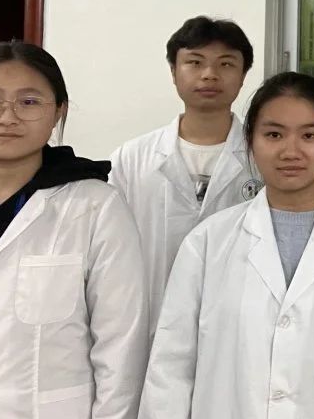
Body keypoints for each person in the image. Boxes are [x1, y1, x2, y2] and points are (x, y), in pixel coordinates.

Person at [139, 72, 314, 419]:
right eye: (273, 134)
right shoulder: (206, 242)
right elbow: (170, 371)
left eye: (309, 135)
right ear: (250, 142)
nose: (291, 151)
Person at [0, 41, 148, 419]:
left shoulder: (96, 207)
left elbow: (121, 348)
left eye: (28, 102)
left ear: (59, 111)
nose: (7, 117)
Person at [108, 16, 258, 334]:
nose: (209, 74)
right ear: (173, 72)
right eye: (195, 62)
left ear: (244, 75)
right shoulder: (131, 159)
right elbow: (110, 253)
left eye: (226, 64)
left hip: (241, 324)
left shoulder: (264, 158)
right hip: (150, 321)